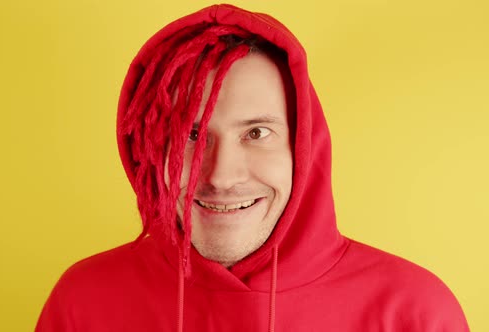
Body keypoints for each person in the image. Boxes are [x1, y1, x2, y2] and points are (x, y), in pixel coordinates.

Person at [36, 4, 469, 331]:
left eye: (256, 133)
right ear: (149, 147)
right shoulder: (83, 302)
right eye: (191, 135)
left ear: (304, 146)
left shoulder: (415, 312)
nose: (221, 176)